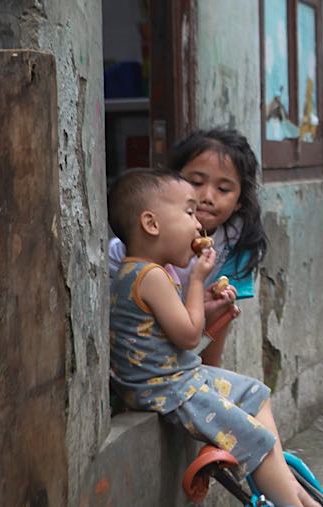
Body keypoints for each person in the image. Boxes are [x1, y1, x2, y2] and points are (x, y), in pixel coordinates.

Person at [107, 169, 312, 506]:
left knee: (255, 393)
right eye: (188, 212)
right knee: (256, 439)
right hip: (167, 388)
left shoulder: (146, 272)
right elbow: (188, 337)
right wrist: (200, 281)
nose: (198, 225)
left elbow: (178, 332)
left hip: (179, 377)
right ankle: (290, 497)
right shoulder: (149, 275)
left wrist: (212, 307)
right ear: (151, 224)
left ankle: (286, 482)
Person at [109, 128, 268, 366]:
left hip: (194, 320)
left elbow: (219, 313)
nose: (206, 196)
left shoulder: (239, 242)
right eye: (195, 182)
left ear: (239, 202)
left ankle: (209, 377)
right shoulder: (131, 248)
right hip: (144, 335)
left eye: (223, 189)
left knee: (225, 306)